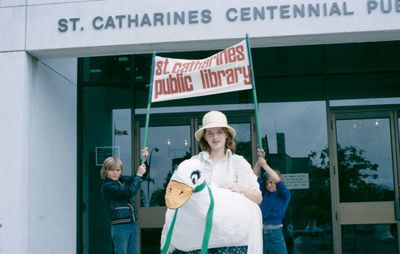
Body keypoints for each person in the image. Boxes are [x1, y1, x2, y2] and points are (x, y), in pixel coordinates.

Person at [173, 110, 262, 254]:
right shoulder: (194, 163)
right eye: (210, 133)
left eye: (220, 132)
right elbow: (178, 196)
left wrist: (239, 187)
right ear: (204, 137)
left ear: (227, 135)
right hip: (200, 239)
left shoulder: (239, 163)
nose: (215, 137)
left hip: (231, 240)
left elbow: (258, 198)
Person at [100, 149, 148, 254]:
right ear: (105, 171)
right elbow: (129, 191)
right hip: (120, 226)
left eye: (117, 170)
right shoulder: (107, 186)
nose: (115, 173)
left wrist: (143, 159)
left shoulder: (121, 180)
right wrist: (139, 176)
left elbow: (138, 178)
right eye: (111, 170)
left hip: (132, 224)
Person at [253, 149, 291, 254]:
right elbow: (253, 176)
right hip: (261, 232)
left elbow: (277, 180)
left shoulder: (284, 195)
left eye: (274, 183)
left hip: (276, 233)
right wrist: (260, 160)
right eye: (269, 182)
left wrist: (265, 165)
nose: (272, 185)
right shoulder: (264, 193)